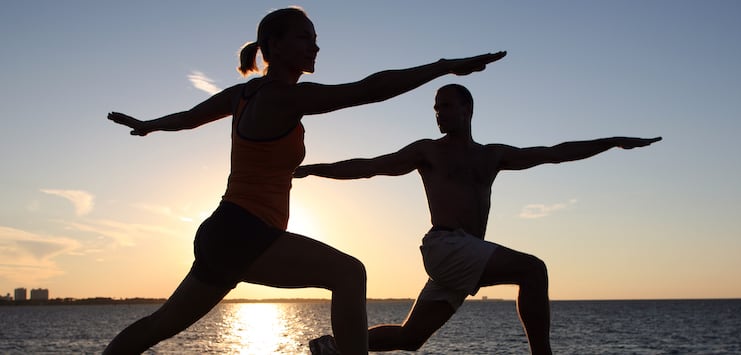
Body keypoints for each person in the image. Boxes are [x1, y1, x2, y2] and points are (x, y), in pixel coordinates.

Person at [102, 6, 505, 354]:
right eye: (304, 38)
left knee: (159, 325)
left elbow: (188, 118)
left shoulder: (242, 95)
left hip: (225, 233)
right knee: (350, 274)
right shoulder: (283, 97)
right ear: (274, 46)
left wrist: (149, 125)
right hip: (246, 231)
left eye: (315, 39)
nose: (315, 46)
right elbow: (368, 90)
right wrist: (442, 67)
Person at [294, 84, 661, 355]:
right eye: (435, 108)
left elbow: (554, 153)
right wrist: (313, 169)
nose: (438, 113)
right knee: (533, 270)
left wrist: (612, 141)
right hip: (446, 246)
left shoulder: (490, 156)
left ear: (467, 109)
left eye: (446, 106)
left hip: (465, 253)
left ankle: (333, 347)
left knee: (410, 338)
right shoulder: (428, 152)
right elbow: (370, 166)